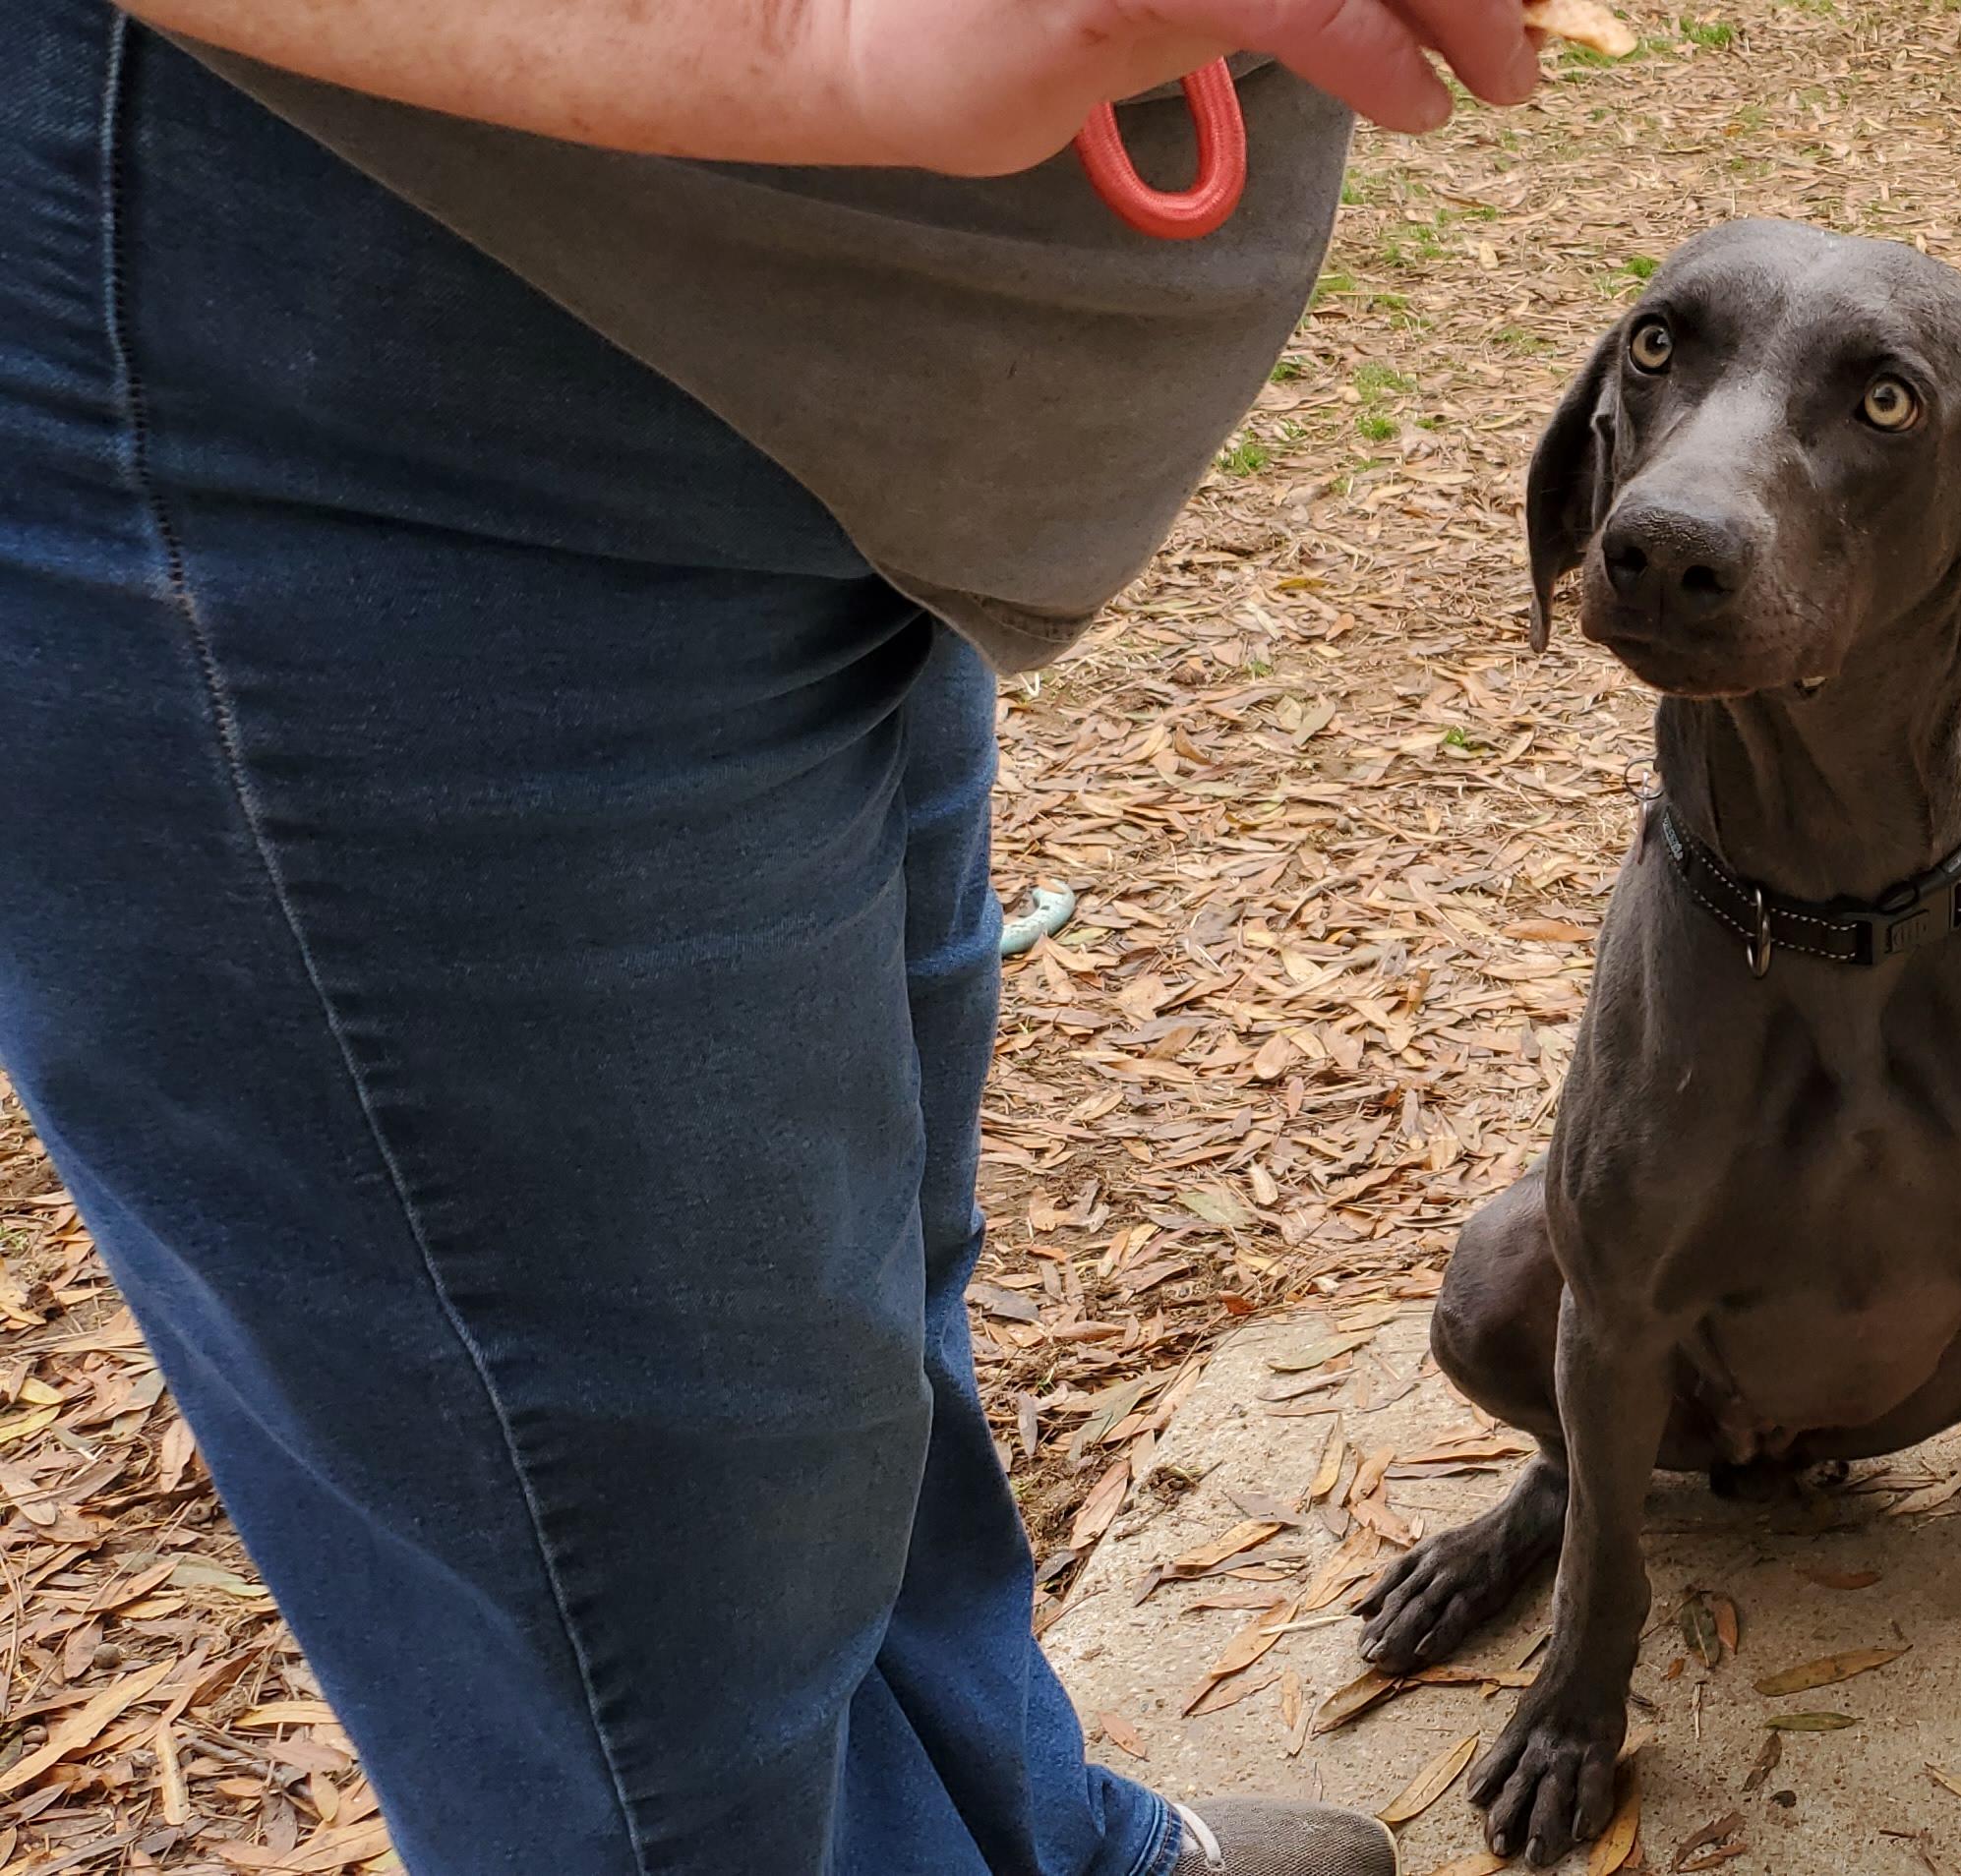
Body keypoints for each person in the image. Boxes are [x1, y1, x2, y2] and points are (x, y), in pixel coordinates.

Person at [0, 3, 1537, 1871]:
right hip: (351, 335)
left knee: (851, 1362)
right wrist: (786, 39)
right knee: (650, 1622)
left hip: (823, 420)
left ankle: (1015, 1838)